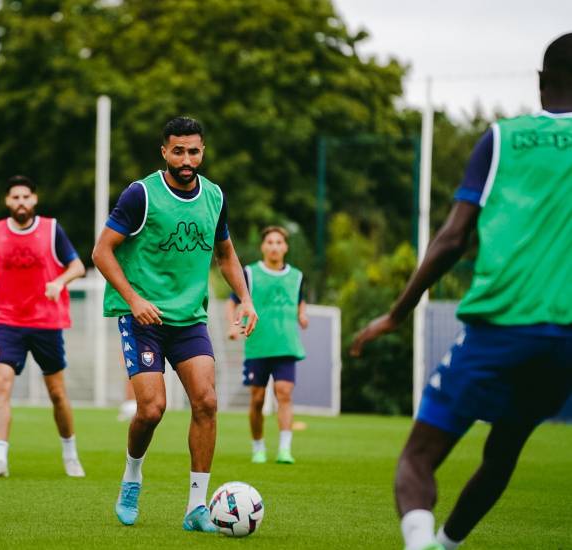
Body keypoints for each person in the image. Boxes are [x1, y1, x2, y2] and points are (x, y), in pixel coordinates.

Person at [350, 33, 572, 550]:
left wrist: (396, 314)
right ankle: (446, 545)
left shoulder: (502, 140)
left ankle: (421, 542)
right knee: (503, 452)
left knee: (417, 458)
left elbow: (452, 238)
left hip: (500, 330)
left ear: (541, 82)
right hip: (564, 344)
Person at [93, 116, 258, 532]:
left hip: (190, 319)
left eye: (194, 151)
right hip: (143, 318)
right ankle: (132, 476)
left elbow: (226, 255)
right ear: (164, 152)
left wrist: (246, 299)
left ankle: (196, 508)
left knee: (207, 402)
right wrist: (134, 299)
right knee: (151, 409)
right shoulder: (141, 195)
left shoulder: (215, 197)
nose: (187, 159)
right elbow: (101, 252)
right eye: (178, 151)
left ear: (203, 152)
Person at [0, 175, 87, 479]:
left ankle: (70, 454)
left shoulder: (51, 229)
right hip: (9, 323)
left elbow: (78, 266)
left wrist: (59, 281)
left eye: (25, 197)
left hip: (47, 323)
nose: (20, 202)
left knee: (57, 393)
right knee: (0, 384)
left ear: (34, 200)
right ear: (8, 201)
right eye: (15, 197)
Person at [226, 226, 308, 465]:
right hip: (258, 345)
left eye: (278, 242)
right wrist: (233, 326)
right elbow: (233, 303)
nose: (274, 246)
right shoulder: (249, 274)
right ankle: (258, 447)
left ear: (285, 247)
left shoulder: (297, 276)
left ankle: (284, 449)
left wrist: (303, 315)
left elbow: (300, 301)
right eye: (270, 242)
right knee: (257, 398)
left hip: (286, 345)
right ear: (263, 247)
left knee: (284, 393)